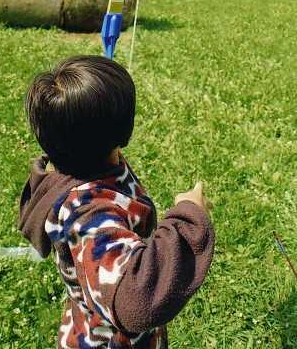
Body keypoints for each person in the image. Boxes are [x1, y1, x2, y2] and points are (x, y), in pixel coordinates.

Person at [19, 55, 214, 348]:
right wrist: (189, 213)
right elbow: (138, 298)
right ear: (123, 130)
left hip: (91, 323)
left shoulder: (82, 165)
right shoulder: (92, 216)